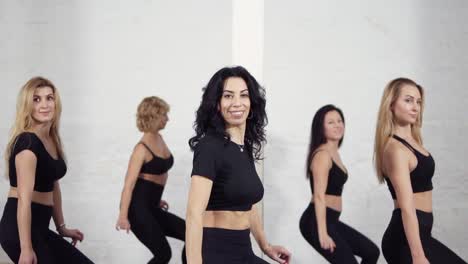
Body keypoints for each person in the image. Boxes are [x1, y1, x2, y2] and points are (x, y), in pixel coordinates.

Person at [185, 66, 291, 264]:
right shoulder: (210, 146)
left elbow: (247, 204)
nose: (237, 103)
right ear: (216, 103)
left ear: (251, 102)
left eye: (243, 95)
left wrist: (266, 246)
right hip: (214, 251)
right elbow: (193, 214)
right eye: (227, 96)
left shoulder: (244, 148)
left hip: (242, 249)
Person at [0, 77, 94, 264]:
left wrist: (62, 228)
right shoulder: (28, 142)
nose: (44, 104)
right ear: (27, 105)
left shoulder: (51, 139)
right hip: (19, 230)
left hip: (40, 227)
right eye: (36, 99)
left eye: (49, 98)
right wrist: (26, 249)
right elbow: (24, 202)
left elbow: (53, 186)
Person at [374, 77, 467, 264]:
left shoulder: (413, 142)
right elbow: (407, 208)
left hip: (421, 235)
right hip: (404, 241)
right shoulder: (395, 149)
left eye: (418, 102)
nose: (415, 107)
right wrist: (418, 256)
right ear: (391, 104)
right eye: (408, 100)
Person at [299, 104, 380, 263]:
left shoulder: (333, 152)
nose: (337, 125)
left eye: (339, 120)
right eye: (331, 122)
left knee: (371, 252)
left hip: (332, 220)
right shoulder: (322, 155)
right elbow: (319, 196)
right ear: (321, 128)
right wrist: (322, 233)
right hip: (315, 221)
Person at [116, 96, 186, 264]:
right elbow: (129, 185)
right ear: (153, 116)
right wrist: (123, 216)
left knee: (192, 234)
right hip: (137, 210)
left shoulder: (159, 138)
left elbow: (155, 176)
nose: (167, 119)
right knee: (163, 254)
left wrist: (155, 198)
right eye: (164, 115)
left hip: (151, 206)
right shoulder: (141, 149)